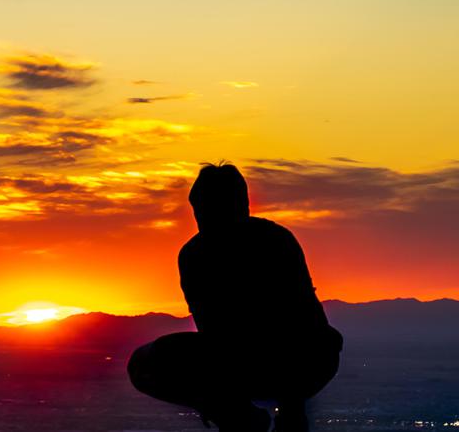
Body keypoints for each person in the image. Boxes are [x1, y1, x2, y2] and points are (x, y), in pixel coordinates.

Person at [127, 163, 342, 432]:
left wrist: (292, 409)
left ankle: (245, 417)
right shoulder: (203, 253)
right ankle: (240, 417)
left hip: (288, 359)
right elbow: (213, 331)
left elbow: (302, 319)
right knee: (146, 362)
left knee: (317, 342)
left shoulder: (266, 243)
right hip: (251, 360)